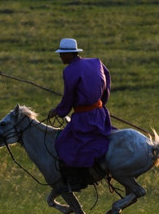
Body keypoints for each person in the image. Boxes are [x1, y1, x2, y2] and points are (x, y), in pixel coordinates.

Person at [48, 38, 116, 190]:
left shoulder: (69, 71)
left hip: (84, 118)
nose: (60, 57)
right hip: (100, 113)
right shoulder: (96, 62)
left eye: (62, 54)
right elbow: (107, 80)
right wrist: (100, 103)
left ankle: (79, 180)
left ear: (69, 54)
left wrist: (58, 111)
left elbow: (68, 98)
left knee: (63, 143)